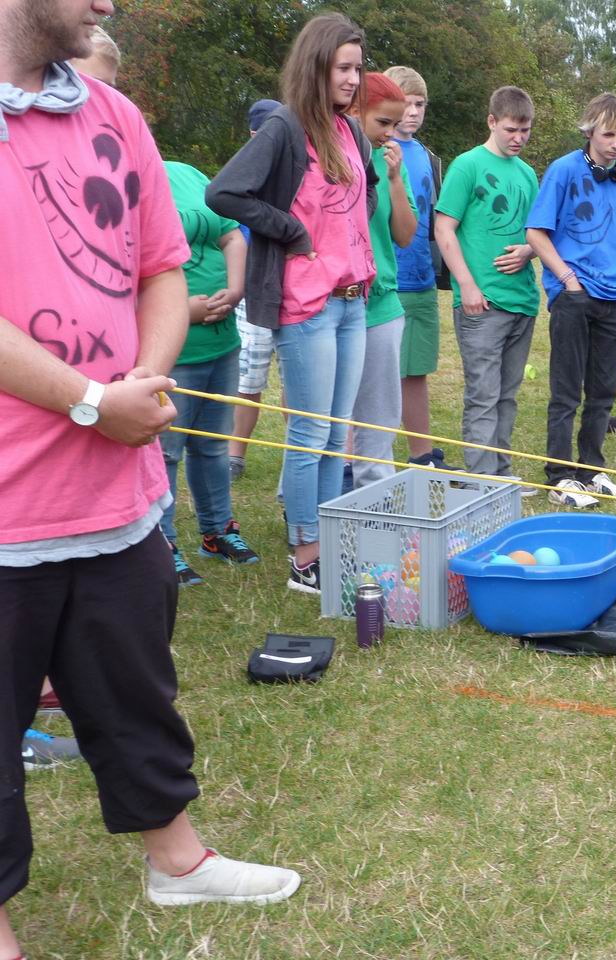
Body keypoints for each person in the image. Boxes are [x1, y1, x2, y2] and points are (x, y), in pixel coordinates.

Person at [0, 3, 301, 954]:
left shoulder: (112, 114)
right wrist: (94, 401)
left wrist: (143, 380)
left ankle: (178, 861)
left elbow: (162, 267)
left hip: (117, 496)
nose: (109, 5)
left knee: (133, 689)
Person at [207, 12, 378, 593]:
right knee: (310, 434)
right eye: (343, 68)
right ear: (316, 66)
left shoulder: (350, 131)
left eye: (358, 68)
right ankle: (306, 556)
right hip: (308, 304)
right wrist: (293, 231)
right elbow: (225, 192)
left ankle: (326, 544)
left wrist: (350, 243)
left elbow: (364, 194)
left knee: (336, 435)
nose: (352, 79)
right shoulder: (284, 127)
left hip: (353, 300)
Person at [525, 92, 616, 508]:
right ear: (590, 131)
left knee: (603, 391)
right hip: (574, 296)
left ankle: (592, 470)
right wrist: (567, 280)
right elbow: (536, 232)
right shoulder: (563, 170)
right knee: (566, 391)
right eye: (608, 135)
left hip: (615, 296)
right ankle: (559, 476)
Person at [433, 85, 540, 484]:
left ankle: (502, 475)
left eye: (525, 130)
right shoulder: (467, 166)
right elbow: (443, 228)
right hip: (482, 303)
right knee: (483, 396)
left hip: (522, 300)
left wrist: (529, 250)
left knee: (507, 396)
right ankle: (481, 483)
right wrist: (467, 285)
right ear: (492, 122)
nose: (519, 138)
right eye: (511, 129)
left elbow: (539, 234)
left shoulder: (527, 174)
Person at [160, 159, 259, 584]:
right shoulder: (120, 182)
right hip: (172, 350)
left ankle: (217, 531)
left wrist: (235, 289)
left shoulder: (187, 173)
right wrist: (180, 312)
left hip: (221, 342)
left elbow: (231, 233)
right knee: (165, 452)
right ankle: (161, 544)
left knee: (214, 444)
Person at [347, 73, 417, 489]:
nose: (391, 132)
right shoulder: (328, 154)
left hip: (382, 304)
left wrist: (394, 180)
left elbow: (405, 235)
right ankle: (316, 508)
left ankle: (377, 505)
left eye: (395, 123)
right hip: (333, 302)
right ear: (355, 112)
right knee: (326, 418)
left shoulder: (389, 162)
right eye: (383, 122)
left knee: (378, 420)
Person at [385, 64, 450, 468]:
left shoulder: (427, 156)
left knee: (416, 370)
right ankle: (358, 460)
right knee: (376, 375)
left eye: (419, 104)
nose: (412, 112)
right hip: (387, 281)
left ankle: (422, 455)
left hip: (422, 278)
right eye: (404, 104)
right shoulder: (376, 149)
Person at [226, 98, 284, 483]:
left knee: (299, 383)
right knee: (248, 380)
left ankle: (300, 455)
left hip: (293, 291)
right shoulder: (241, 178)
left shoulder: (296, 173)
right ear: (253, 135)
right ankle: (235, 454)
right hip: (252, 295)